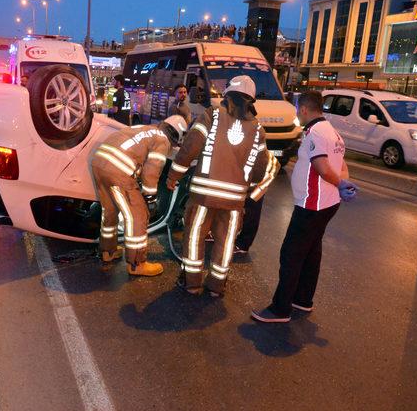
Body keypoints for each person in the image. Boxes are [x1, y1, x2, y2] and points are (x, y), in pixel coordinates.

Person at [166, 76, 279, 297]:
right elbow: (261, 165)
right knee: (225, 241)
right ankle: (217, 286)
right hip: (234, 200)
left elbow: (190, 147)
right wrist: (251, 190)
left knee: (195, 236)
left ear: (228, 95)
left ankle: (191, 283)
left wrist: (174, 175)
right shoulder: (258, 129)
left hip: (203, 196)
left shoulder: (212, 115)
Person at [251, 91, 357, 323]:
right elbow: (342, 166)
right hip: (327, 203)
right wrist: (341, 185)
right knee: (311, 253)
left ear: (305, 109)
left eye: (298, 109)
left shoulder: (315, 132)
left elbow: (321, 165)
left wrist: (339, 183)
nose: (298, 113)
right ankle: (303, 299)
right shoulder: (334, 133)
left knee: (291, 254)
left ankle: (280, 309)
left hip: (312, 204)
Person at [92, 115, 187, 276]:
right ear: (177, 136)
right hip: (118, 171)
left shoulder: (148, 129)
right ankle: (137, 264)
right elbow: (153, 169)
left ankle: (107, 251)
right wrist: (150, 197)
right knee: (138, 215)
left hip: (99, 163)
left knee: (110, 211)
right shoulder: (163, 140)